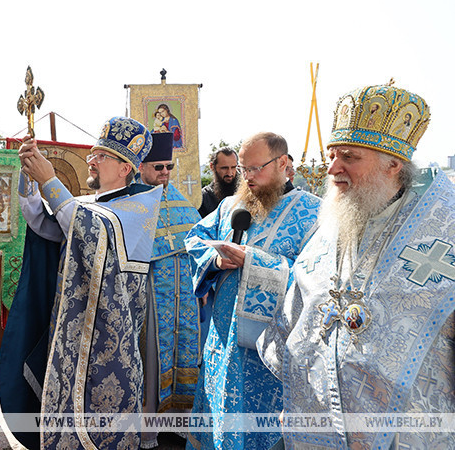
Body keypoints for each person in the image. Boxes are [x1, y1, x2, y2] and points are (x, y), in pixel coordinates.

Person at [258, 84, 455, 449]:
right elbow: (298, 311)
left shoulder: (445, 229)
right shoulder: (335, 222)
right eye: (332, 155)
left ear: (393, 164)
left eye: (348, 156)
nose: (332, 168)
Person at [1, 117, 161, 449]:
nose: (92, 159)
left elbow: (93, 231)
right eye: (93, 153)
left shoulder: (141, 205)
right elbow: (44, 225)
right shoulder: (90, 204)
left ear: (124, 168)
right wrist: (31, 178)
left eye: (101, 155)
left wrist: (50, 178)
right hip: (71, 337)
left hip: (108, 346)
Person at [183, 132, 321, 450]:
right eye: (244, 169)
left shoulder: (313, 213)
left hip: (269, 350)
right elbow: (195, 238)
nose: (247, 176)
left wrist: (254, 261)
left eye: (255, 168)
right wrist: (215, 260)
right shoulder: (231, 205)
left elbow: (315, 275)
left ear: (283, 163)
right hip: (222, 339)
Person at [137, 132, 203, 449]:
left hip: (184, 301)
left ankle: (178, 424)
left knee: (185, 352)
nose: (165, 174)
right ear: (141, 167)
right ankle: (148, 431)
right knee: (151, 362)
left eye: (169, 167)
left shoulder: (181, 203)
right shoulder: (131, 202)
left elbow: (199, 244)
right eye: (158, 167)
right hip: (151, 300)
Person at [198, 146, 238, 218]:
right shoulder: (202, 199)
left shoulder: (243, 194)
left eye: (233, 167)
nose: (230, 173)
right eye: (224, 168)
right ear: (212, 167)